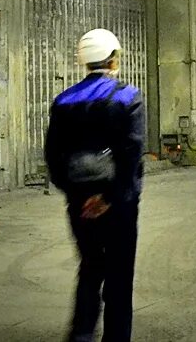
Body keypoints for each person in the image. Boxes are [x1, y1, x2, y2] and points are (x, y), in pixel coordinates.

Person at [44, 29, 145, 342]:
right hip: (119, 205)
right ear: (113, 59)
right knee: (119, 277)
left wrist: (78, 195)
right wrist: (110, 198)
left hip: (79, 203)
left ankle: (81, 334)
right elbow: (131, 156)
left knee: (89, 267)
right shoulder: (127, 97)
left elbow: (53, 157)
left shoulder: (63, 101)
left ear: (84, 61)